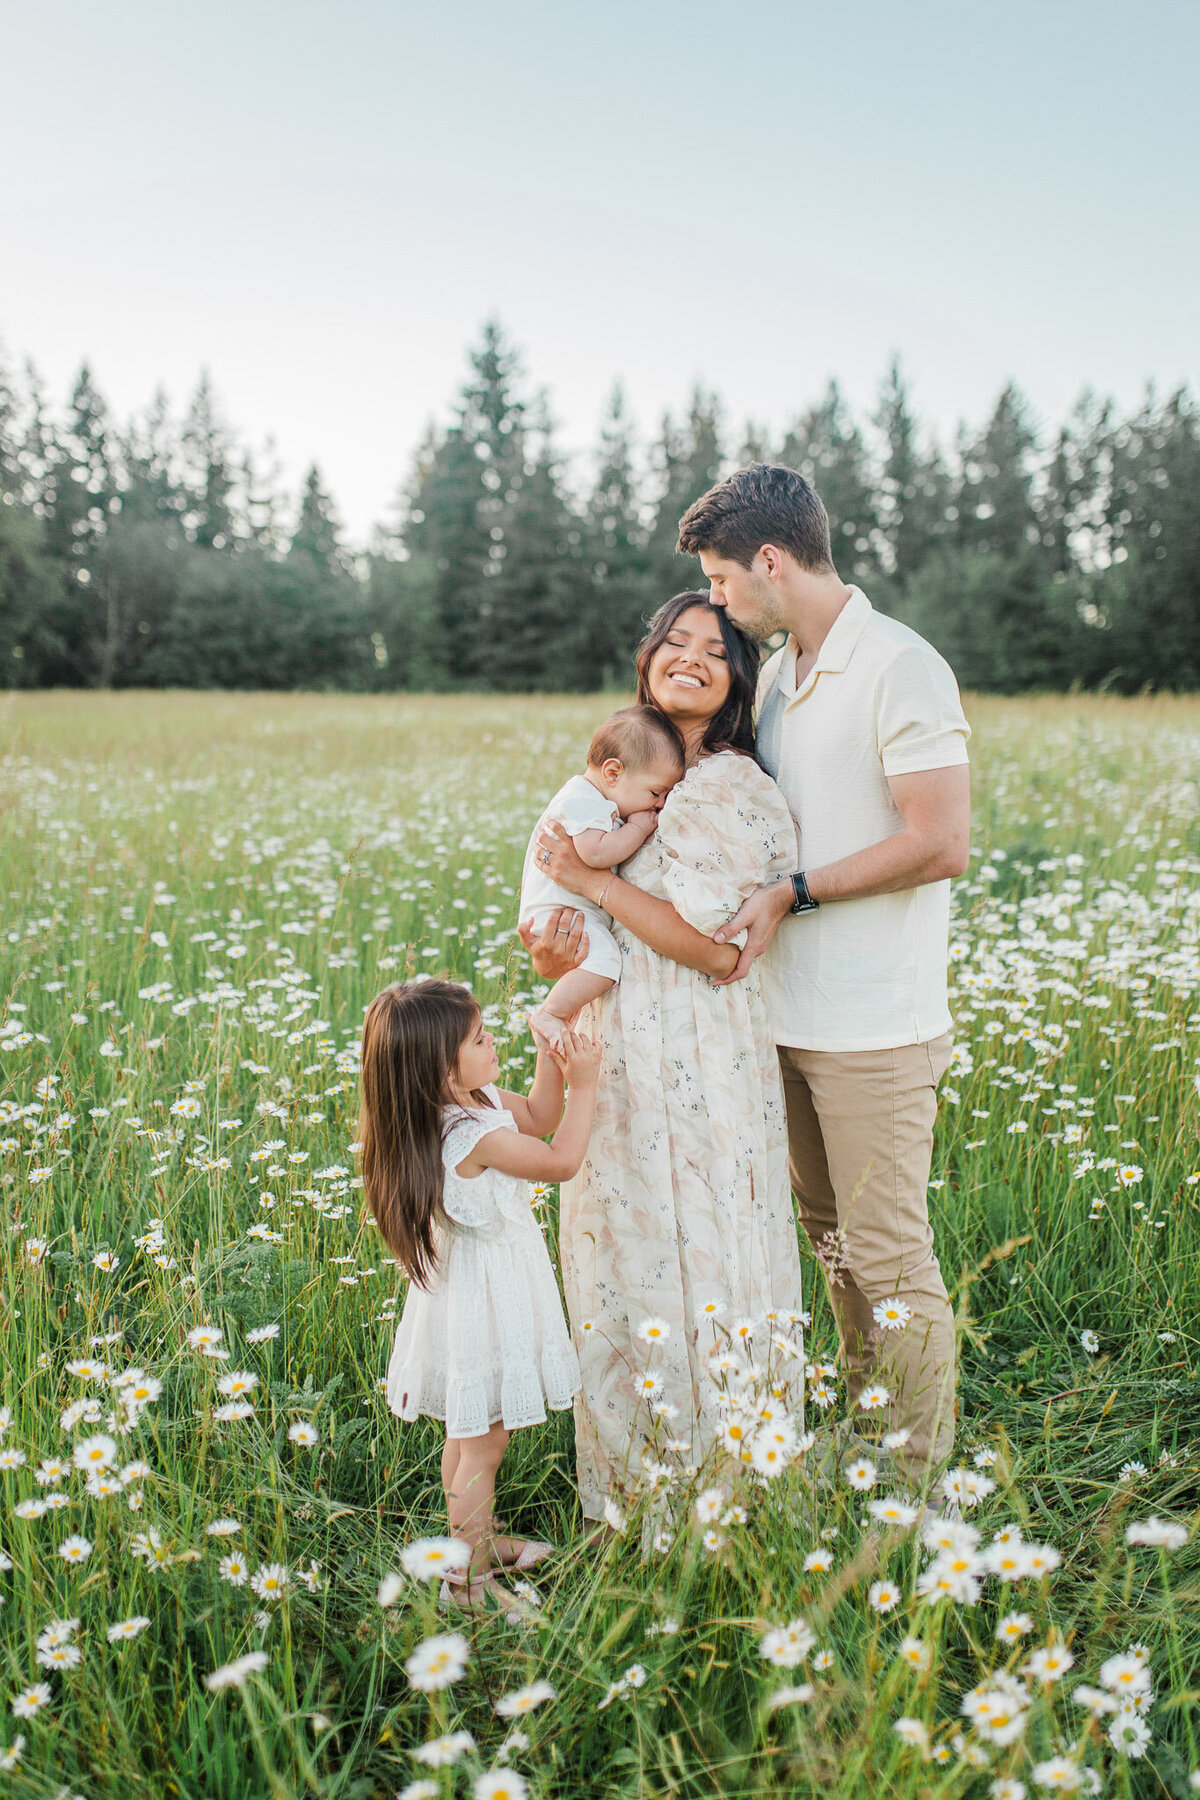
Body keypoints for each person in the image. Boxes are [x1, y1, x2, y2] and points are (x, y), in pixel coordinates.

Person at [675, 462, 972, 1484]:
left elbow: (940, 842)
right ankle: (871, 1425)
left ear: (768, 561)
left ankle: (922, 1476)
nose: (717, 603)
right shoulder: (781, 680)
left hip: (876, 1023)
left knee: (888, 1250)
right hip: (786, 1016)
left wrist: (794, 893)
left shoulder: (900, 665)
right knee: (831, 1239)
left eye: (721, 581)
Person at [523, 593, 807, 1524]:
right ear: (646, 660)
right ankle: (635, 1504)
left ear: (736, 680)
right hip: (617, 1050)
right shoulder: (617, 778)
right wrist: (557, 937)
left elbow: (720, 952)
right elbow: (568, 939)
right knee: (625, 1258)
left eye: (714, 649)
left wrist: (591, 879)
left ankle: (724, 1501)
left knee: (705, 1253)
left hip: (698, 1053)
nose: (689, 657)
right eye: (673, 642)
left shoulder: (726, 785)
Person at [358, 977, 600, 1604]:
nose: (492, 1042)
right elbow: (561, 1158)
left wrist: (554, 1061)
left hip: (482, 1286)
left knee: (468, 1439)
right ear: (439, 1072)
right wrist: (589, 1084)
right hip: (485, 1298)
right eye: (480, 1038)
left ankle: (474, 1543)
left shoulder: (478, 1098)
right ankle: (468, 1583)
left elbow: (541, 1117)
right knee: (486, 1444)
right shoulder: (469, 1135)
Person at [520, 705, 685, 1047]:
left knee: (598, 961)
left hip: (565, 914)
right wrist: (638, 828)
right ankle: (552, 1013)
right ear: (612, 773)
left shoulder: (591, 797)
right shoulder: (584, 800)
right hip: (560, 917)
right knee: (607, 961)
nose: (660, 804)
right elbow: (596, 855)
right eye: (655, 792)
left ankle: (563, 1012)